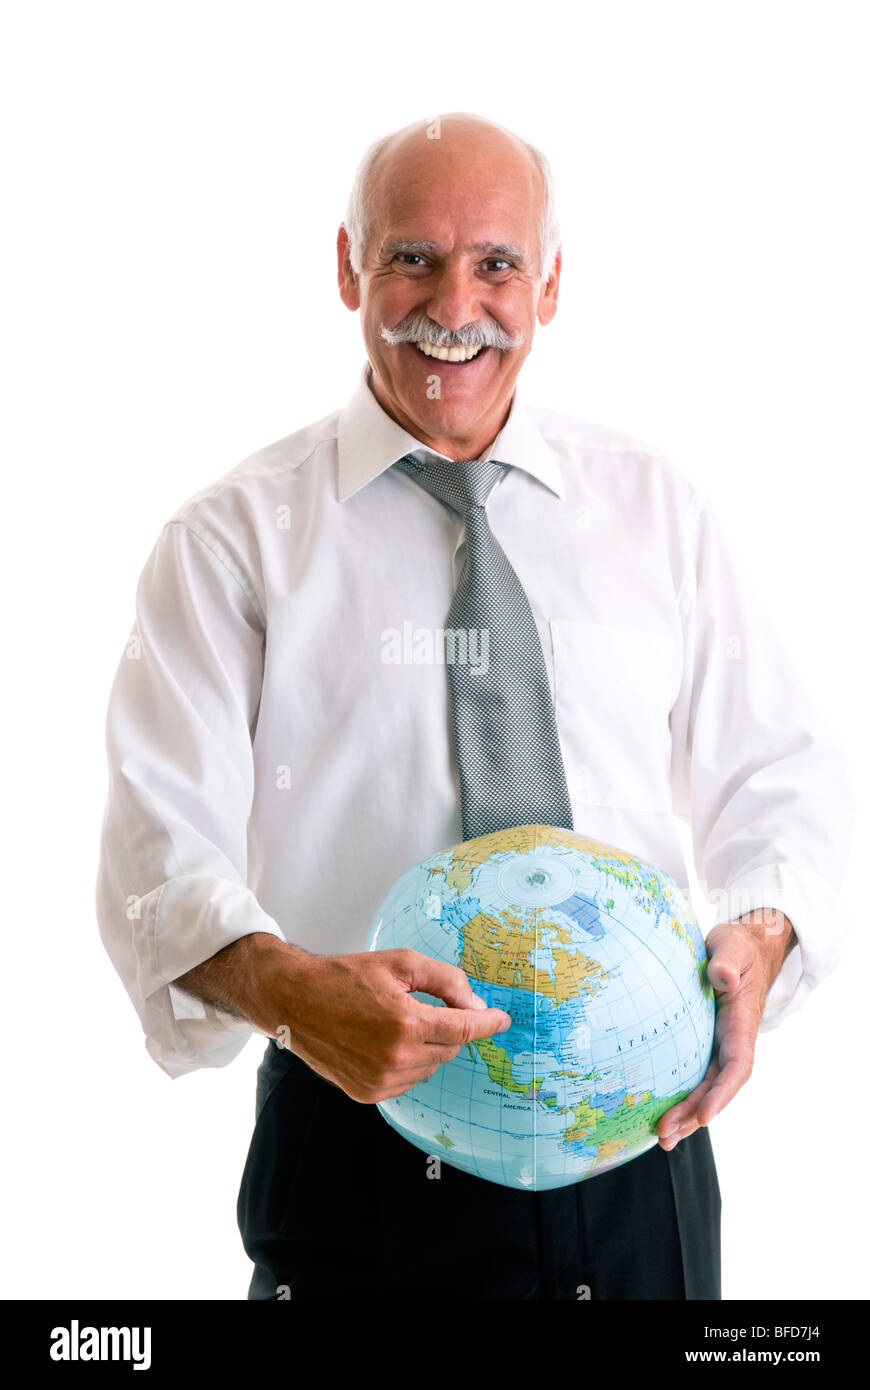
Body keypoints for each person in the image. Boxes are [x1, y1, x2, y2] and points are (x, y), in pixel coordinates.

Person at [95, 112, 854, 1301]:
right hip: (360, 1148)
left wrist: (762, 938)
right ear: (348, 265)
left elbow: (787, 783)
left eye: (496, 263)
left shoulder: (657, 510)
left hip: (637, 1142)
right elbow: (154, 857)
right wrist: (293, 990)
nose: (455, 304)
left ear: (549, 284)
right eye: (411, 257)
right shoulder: (230, 543)